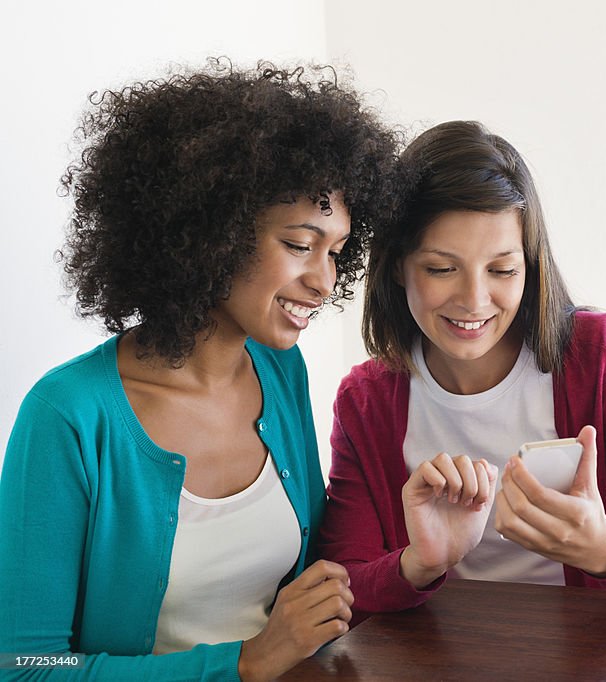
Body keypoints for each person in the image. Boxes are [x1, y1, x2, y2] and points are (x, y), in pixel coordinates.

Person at [0, 59, 402, 680]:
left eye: (337, 251)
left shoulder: (280, 372)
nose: (324, 282)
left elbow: (315, 590)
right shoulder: (69, 416)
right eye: (299, 244)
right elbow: (25, 665)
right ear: (209, 230)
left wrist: (419, 560)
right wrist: (243, 664)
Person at [320, 120, 606, 620]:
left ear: (530, 265)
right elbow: (343, 580)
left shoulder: (602, 356)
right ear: (398, 266)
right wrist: (419, 563)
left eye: (502, 269)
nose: (474, 300)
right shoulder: (367, 399)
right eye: (441, 269)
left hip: (587, 657)